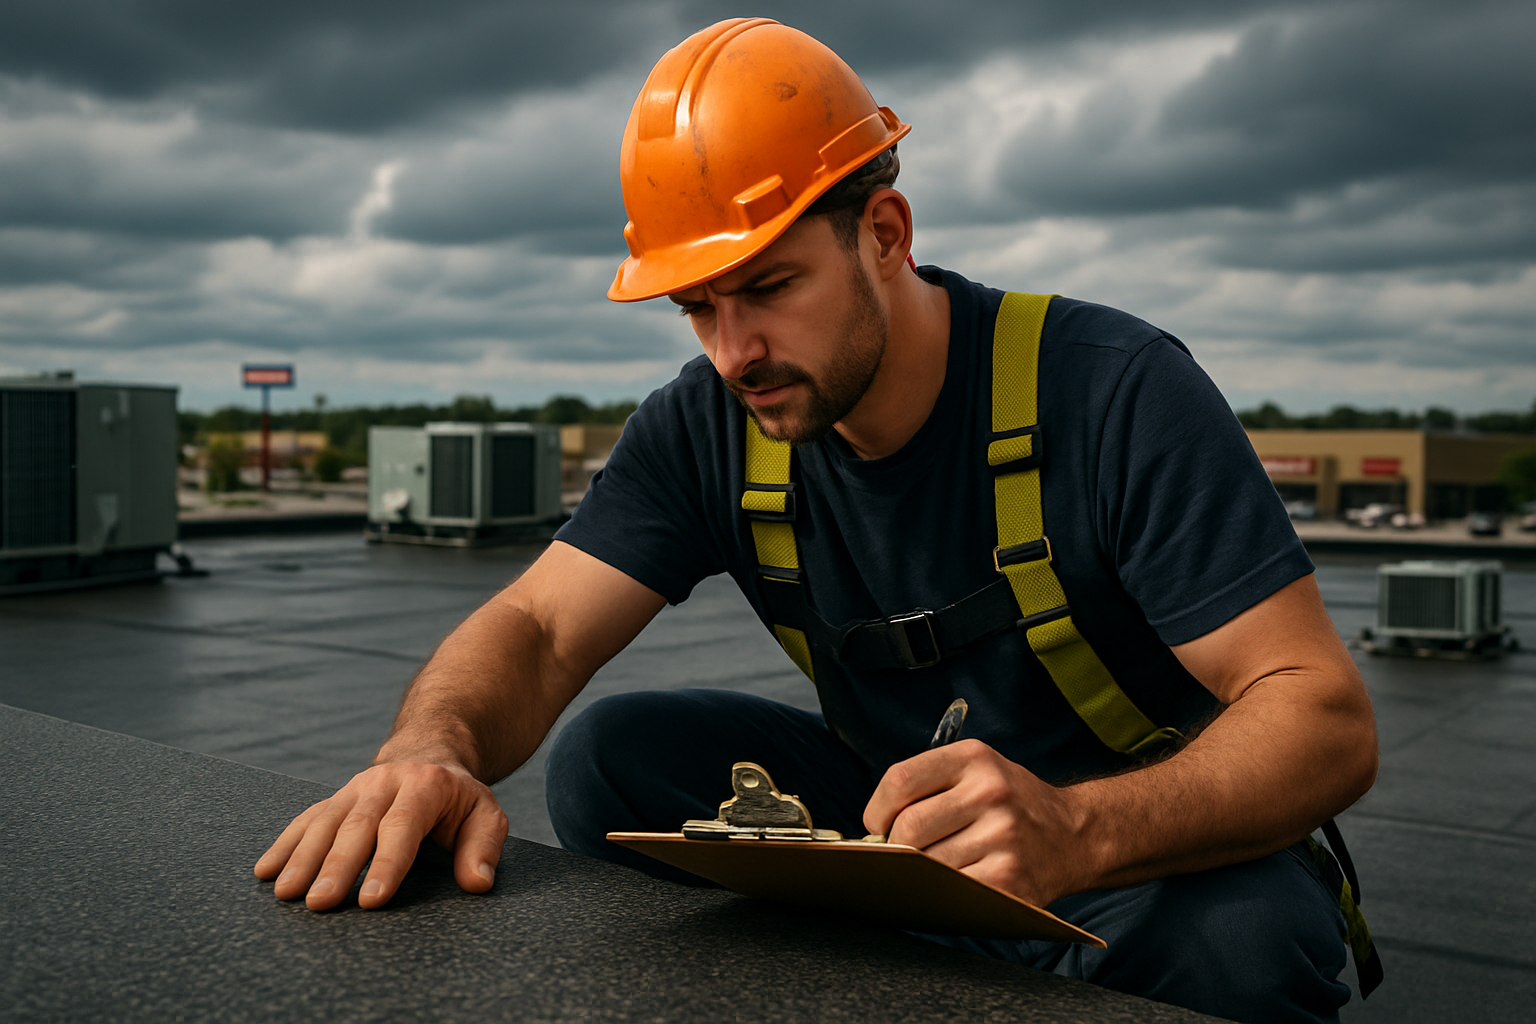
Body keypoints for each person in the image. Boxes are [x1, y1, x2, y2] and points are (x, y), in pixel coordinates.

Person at [256, 18, 1378, 1023]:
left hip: (1133, 845)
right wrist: (426, 752)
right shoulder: (709, 422)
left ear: (882, 232)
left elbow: (1323, 717)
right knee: (615, 755)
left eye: (769, 287)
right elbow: (541, 628)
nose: (732, 352)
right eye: (699, 306)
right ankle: (957, 965)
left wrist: (1077, 832)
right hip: (902, 840)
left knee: (1242, 941)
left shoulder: (1113, 388)